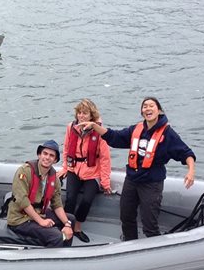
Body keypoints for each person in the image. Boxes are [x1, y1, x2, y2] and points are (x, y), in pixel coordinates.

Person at [83, 97, 196, 240]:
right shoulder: (136, 129)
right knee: (126, 216)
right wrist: (94, 126)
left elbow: (186, 153)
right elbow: (115, 137)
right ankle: (130, 243)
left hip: (151, 184)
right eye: (144, 106)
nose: (148, 109)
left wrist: (191, 171)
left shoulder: (168, 134)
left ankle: (154, 251)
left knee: (150, 223)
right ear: (142, 112)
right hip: (132, 180)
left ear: (159, 110)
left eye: (151, 106)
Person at [58, 98, 112, 243]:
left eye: (85, 113)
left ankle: (78, 227)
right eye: (79, 113)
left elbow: (105, 158)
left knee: (87, 200)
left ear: (91, 116)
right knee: (70, 198)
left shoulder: (99, 132)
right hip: (74, 169)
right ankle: (66, 225)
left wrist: (105, 182)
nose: (81, 116)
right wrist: (65, 168)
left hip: (92, 172)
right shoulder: (71, 127)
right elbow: (66, 148)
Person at [7, 140, 75, 248]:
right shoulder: (24, 171)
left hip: (39, 212)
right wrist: (41, 221)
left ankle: (64, 253)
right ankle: (49, 261)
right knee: (56, 236)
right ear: (39, 155)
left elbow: (57, 205)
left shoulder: (54, 179)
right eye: (45, 153)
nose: (47, 158)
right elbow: (22, 201)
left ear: (55, 160)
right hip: (20, 218)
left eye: (51, 155)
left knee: (70, 219)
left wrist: (67, 224)